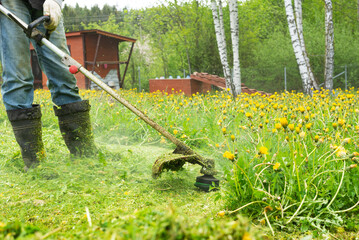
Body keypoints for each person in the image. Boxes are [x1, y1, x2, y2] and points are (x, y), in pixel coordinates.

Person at [0, 0, 96, 171]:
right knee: (18, 75)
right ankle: (35, 162)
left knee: (63, 72)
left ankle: (85, 155)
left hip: (45, 3)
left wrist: (56, 1)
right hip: (10, 2)